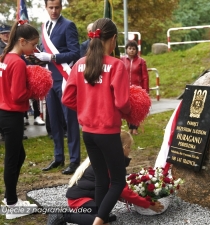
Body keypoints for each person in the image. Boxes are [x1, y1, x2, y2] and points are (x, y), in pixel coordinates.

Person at [62, 18, 132, 225]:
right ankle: (99, 221)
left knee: (102, 178)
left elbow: (67, 98)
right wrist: (131, 112)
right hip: (108, 132)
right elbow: (122, 102)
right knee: (118, 181)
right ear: (113, 39)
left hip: (88, 132)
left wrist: (86, 108)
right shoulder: (116, 65)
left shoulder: (80, 64)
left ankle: (101, 218)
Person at [46, 131, 164, 225]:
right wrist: (149, 204)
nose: (130, 151)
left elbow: (112, 188)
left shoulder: (104, 157)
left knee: (108, 217)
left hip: (84, 198)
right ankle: (62, 215)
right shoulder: (113, 163)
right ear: (123, 147)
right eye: (129, 147)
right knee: (101, 219)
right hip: (80, 200)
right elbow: (123, 190)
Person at [36, 0, 81, 175]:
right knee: (54, 120)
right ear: (46, 8)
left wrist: (52, 57)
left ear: (61, 7)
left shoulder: (68, 25)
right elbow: (43, 51)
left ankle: (75, 160)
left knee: (70, 120)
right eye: (51, 7)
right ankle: (58, 157)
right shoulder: (44, 26)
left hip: (64, 79)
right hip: (49, 79)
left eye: (57, 7)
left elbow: (75, 53)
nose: (54, 11)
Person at [0, 20, 38, 219]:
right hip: (11, 114)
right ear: (22, 41)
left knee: (18, 156)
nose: (34, 48)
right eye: (32, 44)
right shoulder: (17, 62)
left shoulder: (6, 56)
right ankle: (12, 206)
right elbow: (17, 94)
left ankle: (10, 197)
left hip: (4, 112)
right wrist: (34, 90)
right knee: (12, 159)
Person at [120, 40, 149, 135]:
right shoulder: (122, 60)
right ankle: (130, 127)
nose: (131, 50)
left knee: (137, 109)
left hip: (138, 89)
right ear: (126, 49)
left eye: (133, 49)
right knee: (128, 109)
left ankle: (135, 128)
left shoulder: (141, 61)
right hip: (126, 88)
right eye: (129, 48)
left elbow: (145, 77)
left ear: (137, 50)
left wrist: (145, 90)